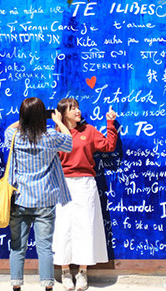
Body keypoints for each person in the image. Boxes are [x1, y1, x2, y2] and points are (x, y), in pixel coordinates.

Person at [6, 97, 73, 291]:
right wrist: (58, 120)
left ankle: (16, 284)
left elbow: (8, 129)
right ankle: (47, 286)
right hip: (45, 200)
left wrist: (25, 118)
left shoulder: (15, 137)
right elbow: (69, 141)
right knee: (44, 247)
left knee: (17, 246)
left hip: (20, 199)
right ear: (43, 116)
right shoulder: (51, 136)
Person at [52, 99, 119, 291]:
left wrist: (110, 124)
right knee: (63, 227)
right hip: (62, 184)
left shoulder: (88, 131)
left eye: (77, 107)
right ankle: (65, 270)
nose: (77, 111)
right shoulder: (56, 134)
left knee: (85, 227)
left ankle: (82, 271)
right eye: (72, 108)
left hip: (86, 184)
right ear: (63, 113)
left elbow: (108, 146)